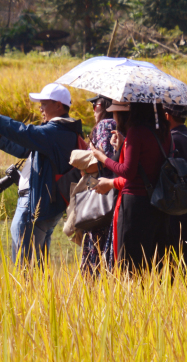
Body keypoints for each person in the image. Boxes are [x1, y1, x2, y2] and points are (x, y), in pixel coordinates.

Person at [0, 83, 82, 266]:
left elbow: (24, 133)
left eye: (44, 103)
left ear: (58, 105)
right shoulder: (61, 131)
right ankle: (39, 294)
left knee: (24, 267)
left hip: (33, 206)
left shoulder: (55, 132)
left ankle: (25, 294)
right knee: (37, 266)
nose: (40, 108)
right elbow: (25, 148)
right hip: (45, 205)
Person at [91, 102, 172, 275]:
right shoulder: (164, 132)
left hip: (135, 206)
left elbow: (128, 171)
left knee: (129, 264)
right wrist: (122, 148)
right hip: (158, 203)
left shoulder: (136, 132)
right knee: (151, 263)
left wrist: (103, 158)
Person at [80, 95, 117, 278]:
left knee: (96, 259)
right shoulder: (119, 124)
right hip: (113, 194)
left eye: (94, 105)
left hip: (103, 196)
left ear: (101, 105)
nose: (93, 110)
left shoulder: (106, 125)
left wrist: (85, 160)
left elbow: (104, 161)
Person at [164, 104, 187, 274]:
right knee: (186, 260)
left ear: (167, 116)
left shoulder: (174, 139)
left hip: (178, 212)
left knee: (175, 263)